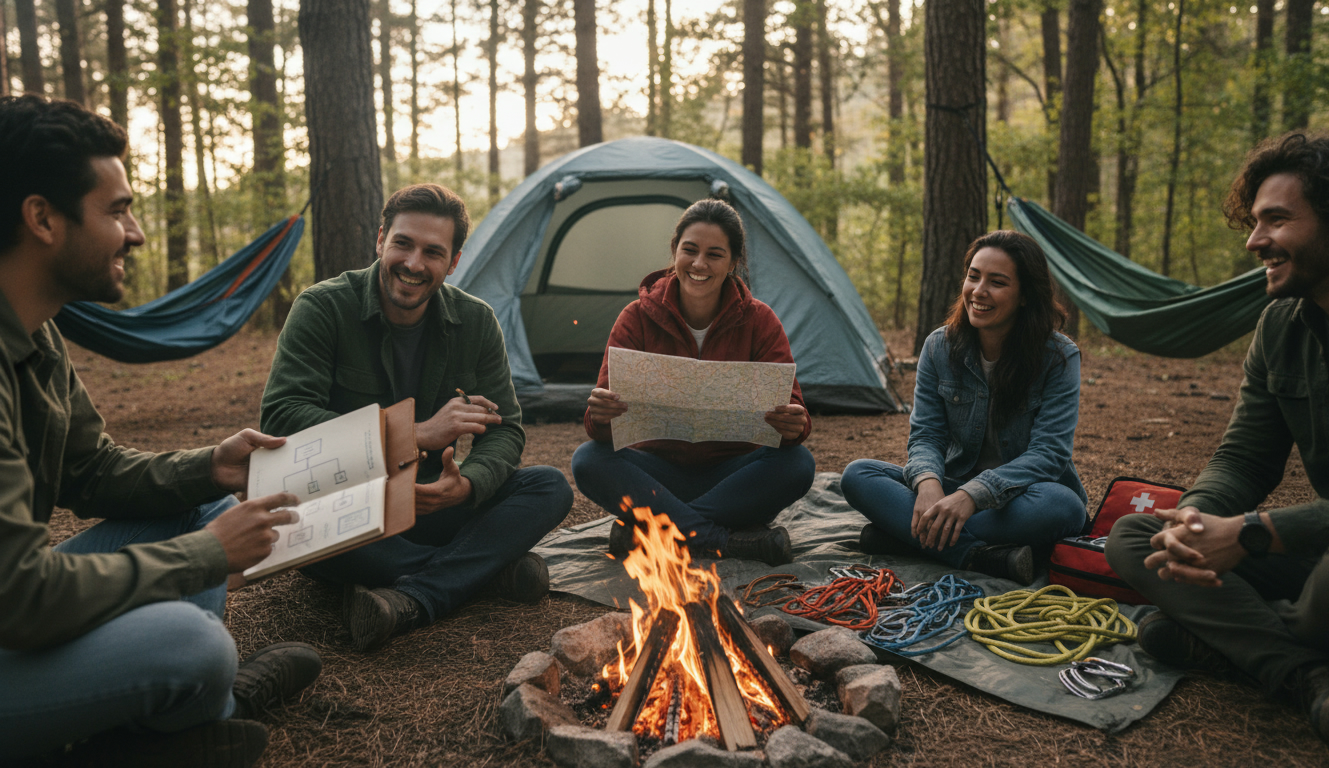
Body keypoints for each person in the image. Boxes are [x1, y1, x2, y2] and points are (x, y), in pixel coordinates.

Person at [0, 95, 321, 767]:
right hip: (13, 610)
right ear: (42, 219)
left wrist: (211, 467)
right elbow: (20, 598)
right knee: (193, 643)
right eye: (117, 210)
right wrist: (205, 555)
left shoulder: (37, 330)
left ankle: (177, 715)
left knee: (205, 506)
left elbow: (89, 470)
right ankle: (187, 713)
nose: (137, 233)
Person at [1105, 131, 1329, 751]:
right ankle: (1307, 677)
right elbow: (1244, 458)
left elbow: (1258, 528)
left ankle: (1234, 641)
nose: (1254, 240)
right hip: (1319, 545)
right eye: (1255, 221)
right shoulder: (1281, 326)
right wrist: (1191, 522)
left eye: (1277, 220)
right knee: (1136, 537)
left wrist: (1253, 532)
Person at [260, 183, 573, 653]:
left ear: (454, 262)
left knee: (548, 486)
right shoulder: (323, 307)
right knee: (293, 527)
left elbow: (504, 428)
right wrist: (414, 433)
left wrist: (467, 485)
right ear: (380, 239)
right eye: (403, 243)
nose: (413, 263)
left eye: (433, 252)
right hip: (345, 503)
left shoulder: (476, 322)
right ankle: (481, 573)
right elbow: (282, 417)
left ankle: (415, 591)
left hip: (429, 503)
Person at [570, 198, 815, 567]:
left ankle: (654, 531)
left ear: (734, 262)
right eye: (690, 250)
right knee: (588, 460)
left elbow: (795, 419)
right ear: (674, 251)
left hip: (733, 478)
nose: (699, 264)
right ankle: (720, 539)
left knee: (798, 464)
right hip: (658, 474)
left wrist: (794, 425)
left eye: (715, 254)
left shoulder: (760, 320)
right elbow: (599, 428)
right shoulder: (636, 318)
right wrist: (601, 415)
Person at [840, 230, 1086, 585]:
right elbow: (926, 434)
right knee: (858, 475)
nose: (978, 291)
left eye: (997, 282)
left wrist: (972, 496)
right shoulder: (939, 347)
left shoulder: (1059, 356)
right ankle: (978, 556)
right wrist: (928, 485)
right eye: (973, 276)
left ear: (1025, 296)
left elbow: (1049, 454)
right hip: (952, 484)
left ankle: (907, 537)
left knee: (1064, 507)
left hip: (1020, 495)